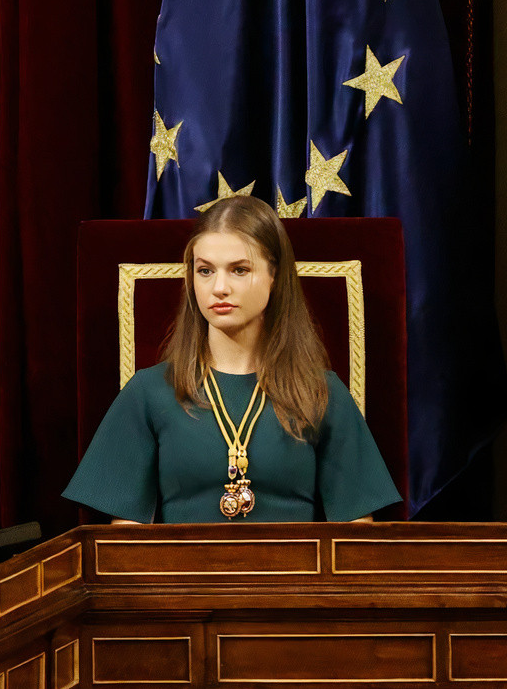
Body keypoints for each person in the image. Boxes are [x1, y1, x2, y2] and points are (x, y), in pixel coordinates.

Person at [65, 196, 400, 524]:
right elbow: (124, 542)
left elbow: (356, 536)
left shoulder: (321, 392)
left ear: (274, 275)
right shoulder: (149, 391)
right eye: (205, 271)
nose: (219, 287)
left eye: (239, 270)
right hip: (182, 579)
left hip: (294, 579)